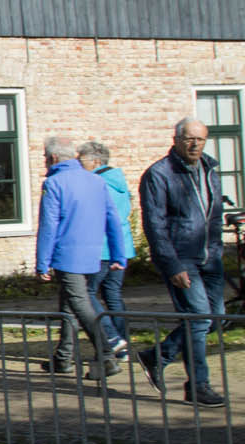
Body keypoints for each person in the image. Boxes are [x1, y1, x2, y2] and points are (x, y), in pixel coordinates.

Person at [138, 117, 230, 408]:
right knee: (199, 318)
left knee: (217, 317)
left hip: (210, 256)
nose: (195, 145)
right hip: (181, 257)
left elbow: (214, 215)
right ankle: (199, 386)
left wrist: (216, 249)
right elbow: (155, 225)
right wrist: (172, 265)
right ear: (176, 140)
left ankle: (157, 356)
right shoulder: (159, 174)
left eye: (200, 139)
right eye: (189, 139)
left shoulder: (210, 169)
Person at [35, 135, 128, 380]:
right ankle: (63, 357)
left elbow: (49, 226)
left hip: (67, 256)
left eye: (45, 157)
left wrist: (42, 262)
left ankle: (107, 355)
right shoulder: (95, 180)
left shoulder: (54, 183)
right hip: (94, 254)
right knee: (68, 302)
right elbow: (113, 219)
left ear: (53, 157)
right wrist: (119, 254)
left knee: (79, 303)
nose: (45, 161)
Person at [79, 140, 133, 357]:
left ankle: (112, 338)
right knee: (113, 295)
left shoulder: (95, 183)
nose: (78, 164)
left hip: (100, 248)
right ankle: (123, 347)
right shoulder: (119, 181)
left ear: (95, 161)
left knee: (87, 293)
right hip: (122, 247)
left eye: (81, 160)